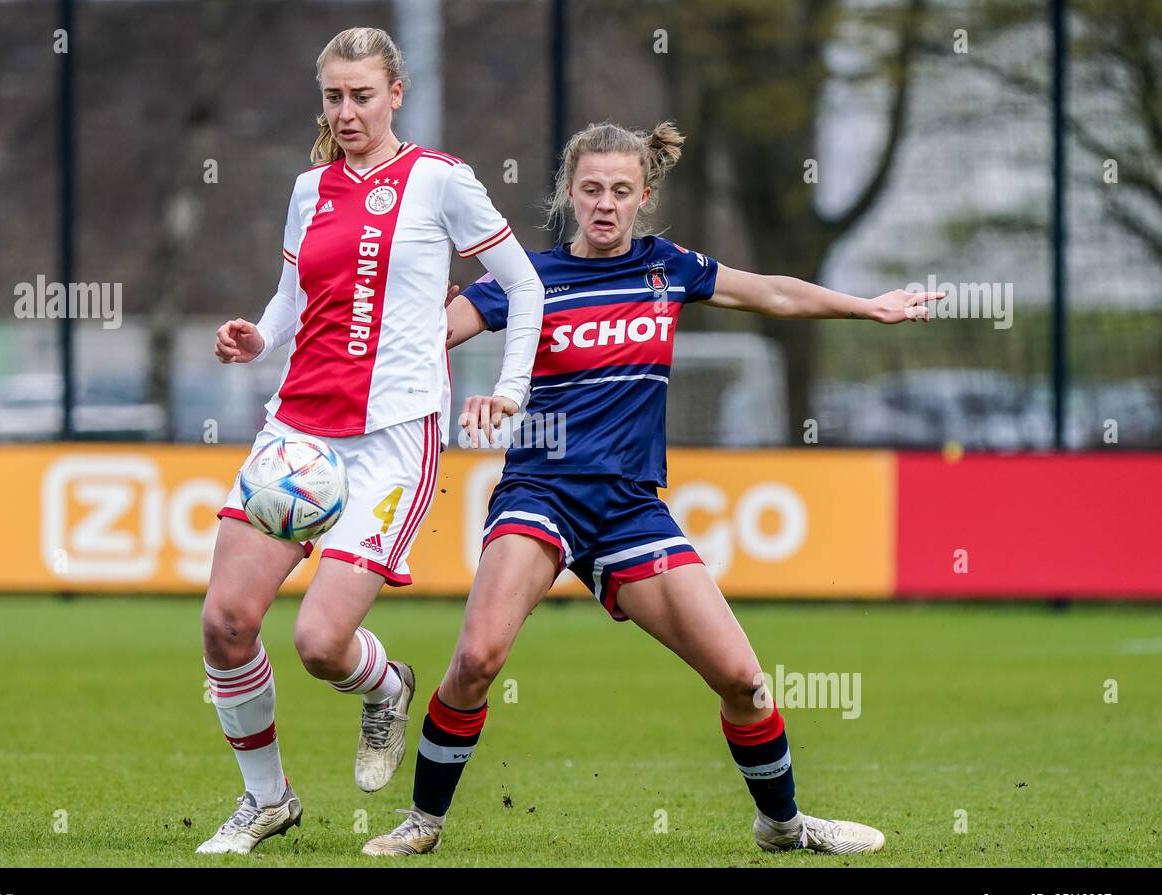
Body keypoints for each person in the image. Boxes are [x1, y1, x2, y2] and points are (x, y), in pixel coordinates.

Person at [362, 120, 939, 857]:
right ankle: (423, 822)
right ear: (569, 192)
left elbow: (772, 294)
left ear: (645, 195)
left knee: (742, 679)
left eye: (622, 191)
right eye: (593, 189)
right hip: (540, 494)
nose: (606, 204)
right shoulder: (526, 279)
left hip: (630, 508)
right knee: (477, 660)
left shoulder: (669, 268)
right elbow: (426, 337)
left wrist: (866, 305)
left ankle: (784, 825)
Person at [195, 26, 544, 854]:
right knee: (225, 621)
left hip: (392, 439)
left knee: (320, 643)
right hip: (296, 431)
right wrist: (258, 337)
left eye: (361, 95)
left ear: (396, 94)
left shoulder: (440, 180)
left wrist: (509, 390)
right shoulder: (308, 187)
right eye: (332, 97)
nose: (346, 112)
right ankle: (266, 799)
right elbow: (290, 295)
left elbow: (523, 286)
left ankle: (385, 685)